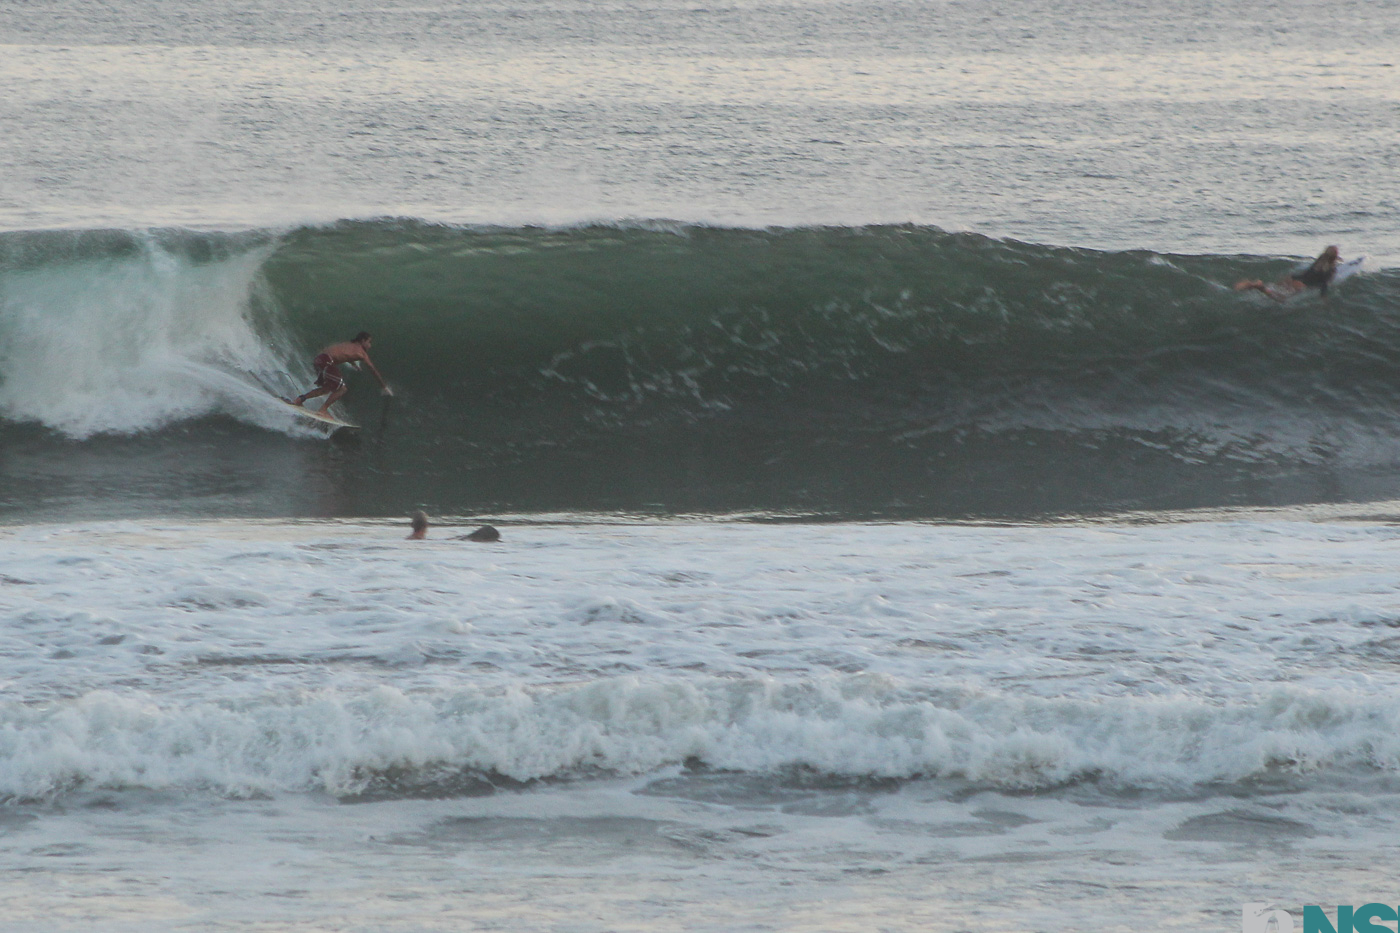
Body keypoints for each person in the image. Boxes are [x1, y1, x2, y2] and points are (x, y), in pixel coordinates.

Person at [287, 331, 392, 412]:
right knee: (342, 389)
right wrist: (384, 387)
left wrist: (354, 365)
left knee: (326, 389)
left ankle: (300, 399)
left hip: (319, 359)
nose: (370, 345)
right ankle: (323, 410)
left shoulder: (347, 344)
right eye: (369, 342)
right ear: (362, 341)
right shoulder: (362, 353)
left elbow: (344, 354)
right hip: (326, 361)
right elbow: (373, 370)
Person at [1234, 246, 1342, 302]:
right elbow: (1324, 283)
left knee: (1275, 288)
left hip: (1293, 278)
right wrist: (1324, 298)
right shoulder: (1330, 269)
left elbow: (1310, 272)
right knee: (1280, 298)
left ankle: (1253, 285)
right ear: (1334, 257)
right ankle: (1259, 287)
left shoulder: (1319, 260)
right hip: (1301, 285)